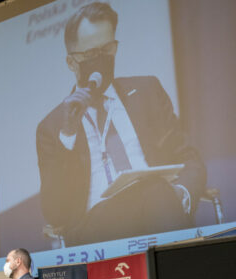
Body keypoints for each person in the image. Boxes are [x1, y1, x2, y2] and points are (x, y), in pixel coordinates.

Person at [36, 2, 205, 246]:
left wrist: (181, 194)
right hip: (97, 230)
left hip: (160, 207)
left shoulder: (147, 92)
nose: (101, 60)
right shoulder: (53, 127)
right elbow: (56, 212)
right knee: (155, 191)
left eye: (108, 49)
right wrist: (68, 134)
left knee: (156, 192)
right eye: (92, 54)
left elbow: (189, 159)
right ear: (72, 63)